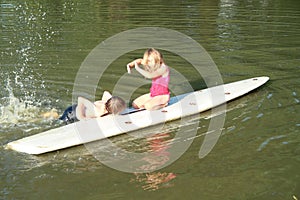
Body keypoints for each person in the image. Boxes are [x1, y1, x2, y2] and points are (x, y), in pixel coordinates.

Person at [59, 91, 126, 124]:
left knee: (56, 114)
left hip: (77, 108)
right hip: (71, 114)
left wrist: (113, 100)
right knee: (59, 120)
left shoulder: (107, 101)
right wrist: (82, 117)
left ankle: (53, 113)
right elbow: (80, 99)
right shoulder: (97, 111)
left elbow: (106, 92)